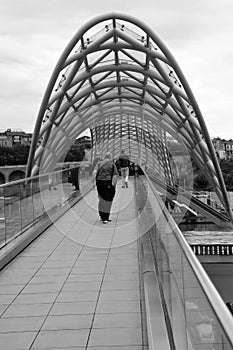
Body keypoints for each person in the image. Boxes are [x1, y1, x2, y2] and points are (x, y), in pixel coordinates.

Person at [93, 153, 118, 223]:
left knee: (101, 199)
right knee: (108, 200)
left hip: (99, 183)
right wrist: (114, 186)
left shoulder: (99, 163)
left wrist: (93, 183)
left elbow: (94, 172)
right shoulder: (112, 164)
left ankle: (101, 216)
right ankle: (106, 217)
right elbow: (115, 176)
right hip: (108, 183)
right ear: (110, 157)